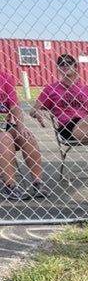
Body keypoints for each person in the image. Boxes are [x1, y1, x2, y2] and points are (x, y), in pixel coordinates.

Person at [30, 54, 88, 188]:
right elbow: (33, 110)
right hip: (68, 127)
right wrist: (39, 113)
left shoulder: (85, 89)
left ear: (76, 68)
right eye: (61, 64)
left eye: (68, 63)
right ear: (58, 69)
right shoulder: (51, 88)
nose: (64, 66)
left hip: (87, 126)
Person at [0, 71, 46, 201]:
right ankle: (10, 186)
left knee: (27, 137)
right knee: (5, 138)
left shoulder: (4, 77)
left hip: (3, 122)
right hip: (2, 130)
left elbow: (14, 105)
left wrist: (21, 126)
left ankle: (38, 183)